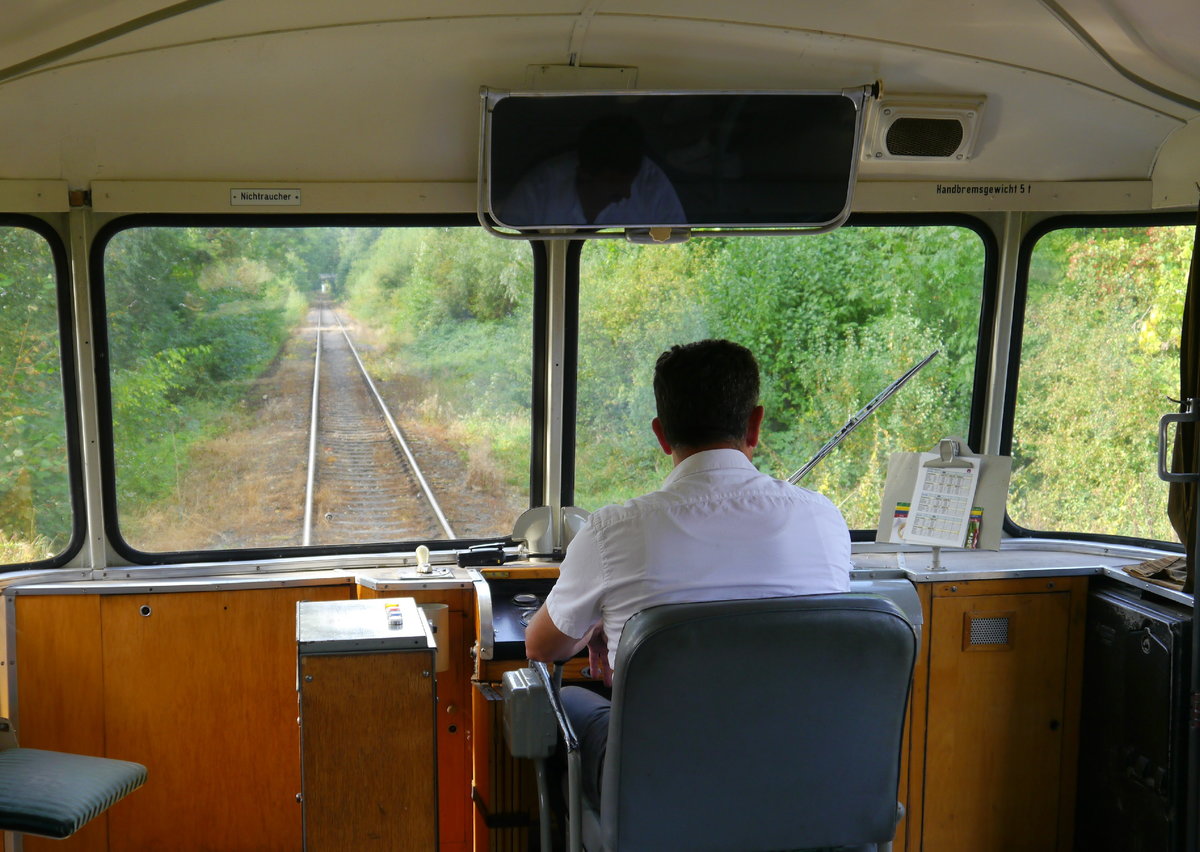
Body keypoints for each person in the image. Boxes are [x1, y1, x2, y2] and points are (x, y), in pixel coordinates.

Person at [524, 338, 852, 810]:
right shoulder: (824, 519)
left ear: (661, 435)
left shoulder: (613, 532)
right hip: (809, 781)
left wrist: (596, 625)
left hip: (666, 794)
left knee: (567, 700)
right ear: (755, 424)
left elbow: (542, 647)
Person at [498, 114, 686, 228]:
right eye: (613, 181)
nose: (626, 193)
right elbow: (508, 238)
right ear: (584, 173)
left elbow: (675, 238)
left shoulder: (651, 185)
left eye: (630, 181)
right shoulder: (538, 191)